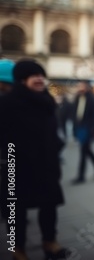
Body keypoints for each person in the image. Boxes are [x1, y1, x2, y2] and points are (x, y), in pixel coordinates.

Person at [0, 59, 69, 260]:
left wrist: (56, 146)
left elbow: (52, 130)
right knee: (15, 212)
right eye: (33, 75)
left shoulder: (47, 101)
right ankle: (17, 249)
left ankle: (50, 242)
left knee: (49, 205)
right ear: (22, 80)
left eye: (41, 75)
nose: (39, 79)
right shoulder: (7, 102)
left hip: (46, 164)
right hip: (18, 166)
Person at [70, 80, 94, 184]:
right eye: (79, 85)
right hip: (80, 127)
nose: (80, 88)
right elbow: (74, 113)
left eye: (82, 86)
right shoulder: (77, 98)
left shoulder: (92, 99)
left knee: (84, 150)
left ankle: (81, 176)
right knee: (87, 150)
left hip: (88, 128)